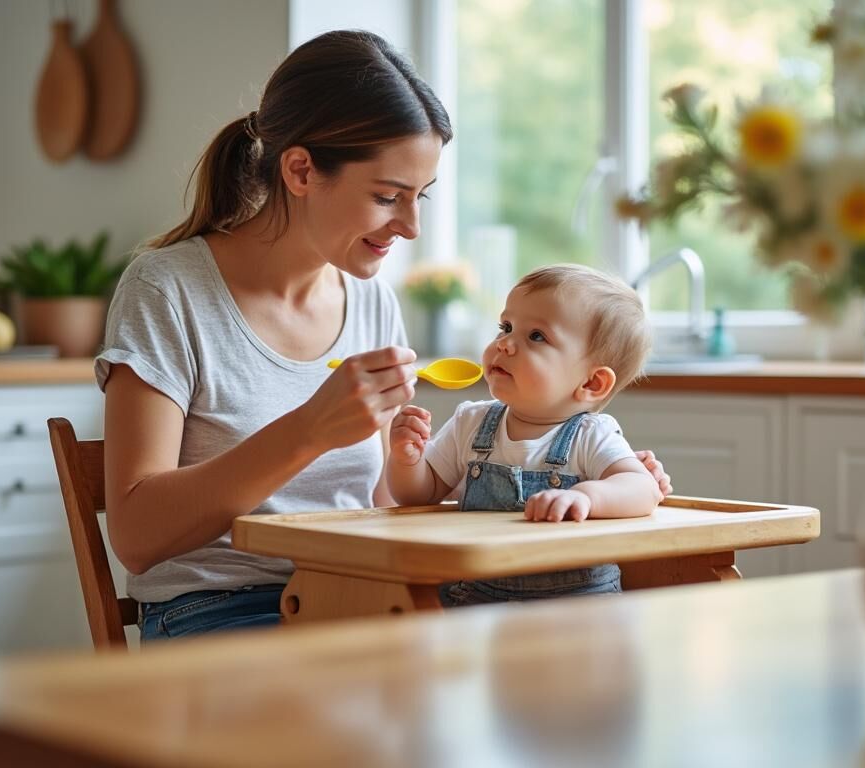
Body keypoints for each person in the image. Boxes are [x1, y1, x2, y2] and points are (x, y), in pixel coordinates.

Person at [95, 30, 671, 642]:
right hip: (222, 609)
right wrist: (308, 430)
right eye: (387, 197)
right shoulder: (167, 289)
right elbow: (136, 536)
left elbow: (384, 506)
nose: (412, 226)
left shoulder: (370, 302)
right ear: (300, 170)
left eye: (420, 197)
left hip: (364, 595)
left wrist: (592, 482)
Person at [385, 264, 660, 606]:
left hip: (579, 607)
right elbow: (418, 495)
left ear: (591, 383)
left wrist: (587, 497)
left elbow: (643, 489)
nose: (505, 344)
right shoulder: (471, 421)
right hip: (474, 597)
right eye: (506, 327)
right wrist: (407, 459)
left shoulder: (592, 435)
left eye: (536, 336)